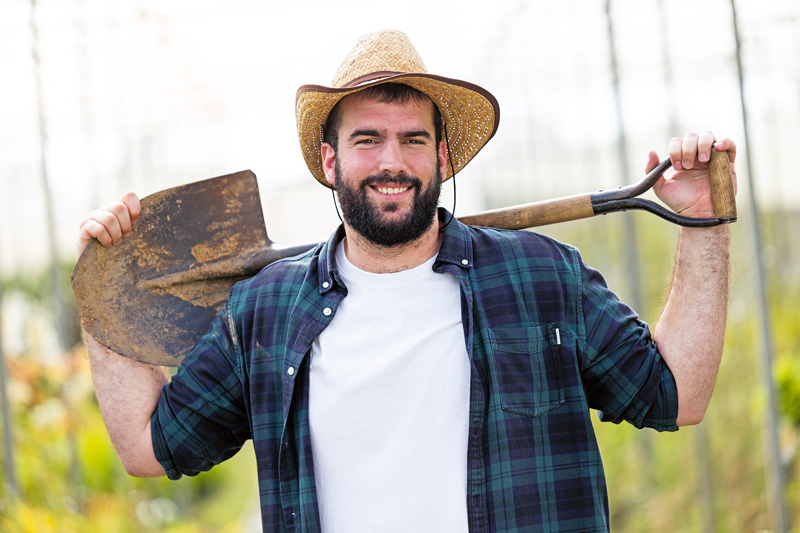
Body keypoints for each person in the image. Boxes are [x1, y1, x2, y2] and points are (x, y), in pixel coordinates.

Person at [78, 30, 735, 532]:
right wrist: (100, 286)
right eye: (367, 139)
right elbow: (147, 444)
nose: (391, 162)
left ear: (442, 155)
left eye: (412, 139)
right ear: (331, 160)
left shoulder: (541, 279)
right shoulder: (267, 310)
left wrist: (703, 223)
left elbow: (677, 393)